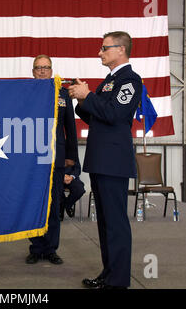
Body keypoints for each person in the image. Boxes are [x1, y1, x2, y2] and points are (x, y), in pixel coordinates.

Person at [68, 31, 142, 289]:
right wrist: (81, 98)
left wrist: (89, 97)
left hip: (114, 161)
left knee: (116, 223)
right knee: (105, 223)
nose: (100, 52)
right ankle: (109, 274)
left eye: (104, 48)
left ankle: (118, 281)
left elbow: (115, 115)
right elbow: (96, 117)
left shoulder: (130, 80)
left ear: (121, 49)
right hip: (101, 159)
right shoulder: (108, 82)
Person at [26, 55, 78, 265]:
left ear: (51, 70)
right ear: (33, 71)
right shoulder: (25, 93)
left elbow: (71, 130)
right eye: (38, 68)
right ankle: (36, 248)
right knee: (33, 205)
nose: (42, 71)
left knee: (54, 206)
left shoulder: (62, 93)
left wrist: (71, 161)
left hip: (56, 159)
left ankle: (51, 249)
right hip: (31, 159)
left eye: (46, 67)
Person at [59, 154, 85, 221]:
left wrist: (71, 177)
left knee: (79, 189)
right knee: (57, 189)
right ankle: (60, 211)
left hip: (71, 177)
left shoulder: (72, 151)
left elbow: (77, 168)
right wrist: (62, 176)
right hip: (57, 176)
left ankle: (66, 206)